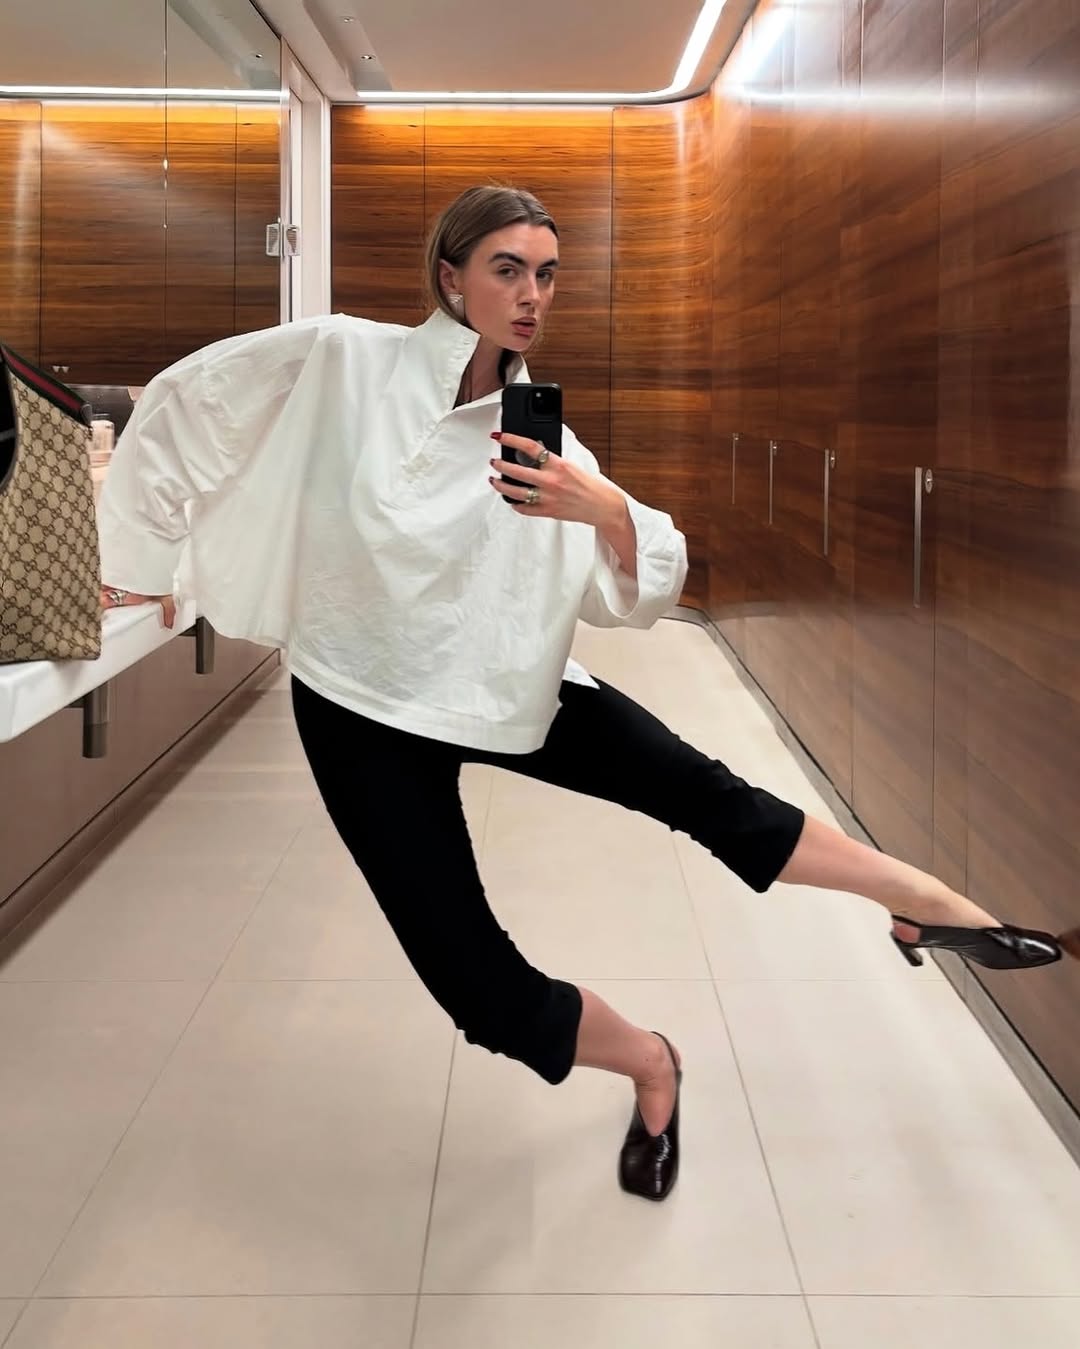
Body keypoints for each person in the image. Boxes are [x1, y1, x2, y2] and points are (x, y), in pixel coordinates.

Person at [96, 185, 1068, 1204]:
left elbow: (629, 592)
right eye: (507, 269)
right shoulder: (344, 358)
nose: (532, 295)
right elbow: (186, 404)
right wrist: (142, 561)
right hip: (361, 702)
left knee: (707, 793)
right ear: (451, 278)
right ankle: (652, 1061)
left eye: (547, 274)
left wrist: (601, 507)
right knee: (479, 990)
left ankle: (922, 901)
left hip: (504, 680)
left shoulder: (545, 439)